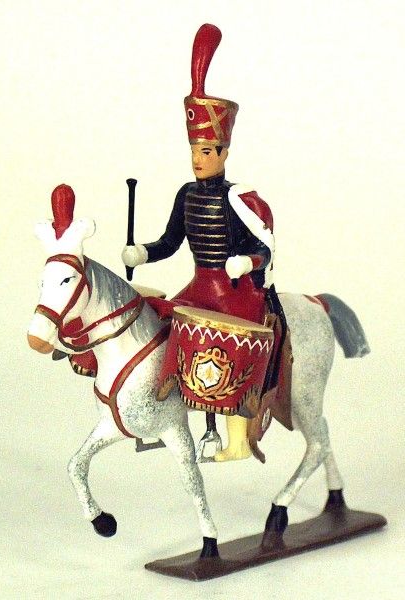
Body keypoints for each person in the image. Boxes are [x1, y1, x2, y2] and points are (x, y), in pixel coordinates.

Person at [122, 24, 276, 461]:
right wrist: (143, 253)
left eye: (206, 152)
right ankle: (162, 411)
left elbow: (264, 250)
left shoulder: (239, 200)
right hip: (200, 284)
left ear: (224, 153)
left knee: (230, 346)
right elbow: (171, 241)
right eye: (194, 151)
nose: (197, 160)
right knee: (158, 322)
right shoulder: (187, 194)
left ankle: (236, 436)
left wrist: (246, 264)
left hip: (233, 292)